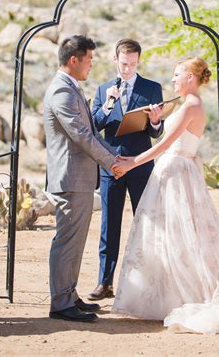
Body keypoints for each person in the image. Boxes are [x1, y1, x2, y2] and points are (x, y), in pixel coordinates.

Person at [112, 58, 219, 333]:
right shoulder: (188, 104)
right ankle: (169, 295)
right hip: (177, 168)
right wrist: (156, 120)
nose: (173, 79)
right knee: (173, 235)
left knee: (181, 235)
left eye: (177, 74)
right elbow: (168, 140)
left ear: (191, 77)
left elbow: (166, 145)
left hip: (176, 170)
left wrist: (132, 162)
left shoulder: (191, 105)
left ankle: (186, 294)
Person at [43, 34, 124, 323]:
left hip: (78, 178)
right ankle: (60, 303)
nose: (91, 65)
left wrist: (112, 158)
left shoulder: (71, 88)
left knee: (75, 242)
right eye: (89, 59)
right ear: (74, 60)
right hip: (69, 178)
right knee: (67, 242)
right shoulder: (62, 92)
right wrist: (113, 161)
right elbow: (81, 135)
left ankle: (69, 295)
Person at [88, 38, 163, 301]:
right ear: (115, 60)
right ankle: (104, 282)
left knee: (145, 222)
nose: (128, 69)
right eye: (123, 64)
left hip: (141, 165)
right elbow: (94, 125)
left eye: (132, 64)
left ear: (138, 61)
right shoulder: (102, 89)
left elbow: (156, 133)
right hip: (111, 166)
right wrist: (108, 103)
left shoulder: (152, 88)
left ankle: (147, 282)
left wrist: (155, 122)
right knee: (110, 225)